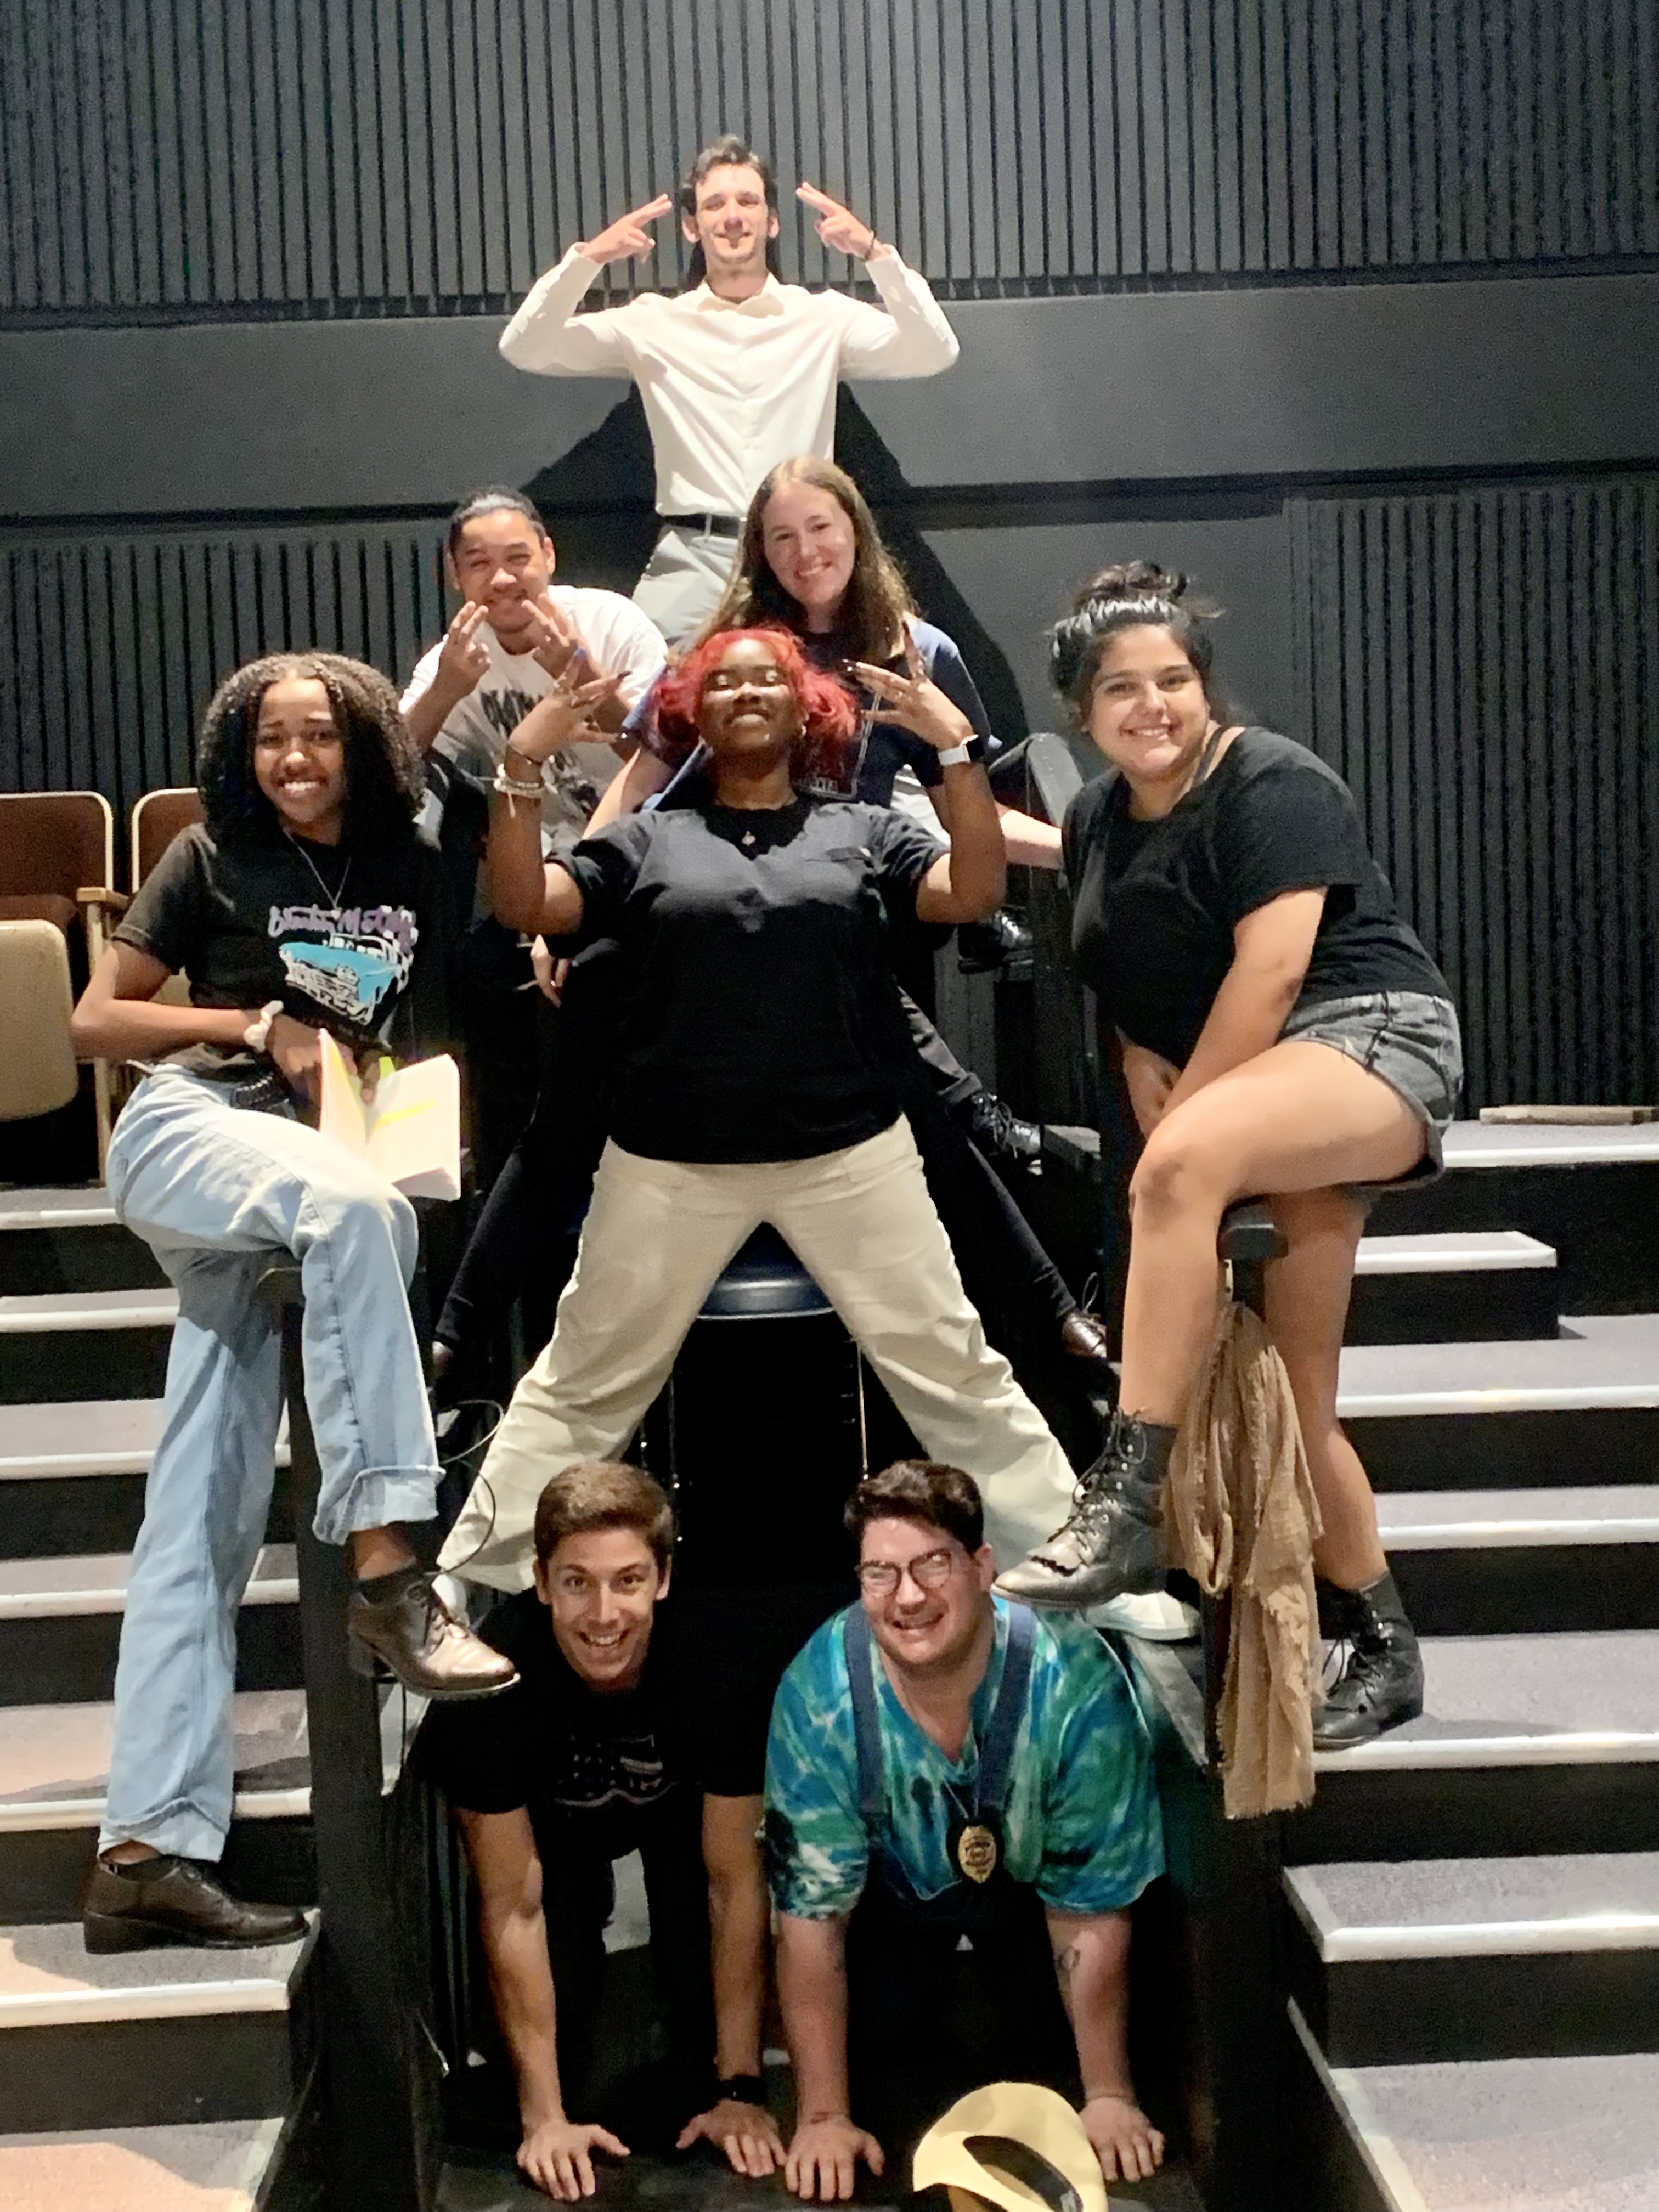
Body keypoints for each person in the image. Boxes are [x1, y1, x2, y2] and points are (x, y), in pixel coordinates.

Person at [431, 460, 1118, 1409]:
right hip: (685, 909)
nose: (805, 554)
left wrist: (1084, 847)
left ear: (857, 535)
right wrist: (573, 898)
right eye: (782, 537)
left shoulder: (915, 653)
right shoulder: (730, 647)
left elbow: (974, 813)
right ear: (758, 551)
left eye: (821, 531)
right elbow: (646, 772)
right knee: (562, 1122)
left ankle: (1046, 1314)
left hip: (829, 919)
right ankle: (456, 1334)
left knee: (927, 1106)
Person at [437, 626, 1077, 1593]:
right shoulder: (648, 834)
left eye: (766, 679)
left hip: (847, 1154)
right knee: (581, 1382)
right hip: (669, 1162)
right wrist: (520, 763)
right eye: (722, 681)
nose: (743, 692)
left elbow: (973, 888)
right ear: (694, 710)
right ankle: (471, 1581)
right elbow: (529, 903)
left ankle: (1064, 1550)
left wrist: (953, 751)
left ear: (802, 707)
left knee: (952, 1364)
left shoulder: (858, 828)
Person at [67, 652, 517, 1955]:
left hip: (310, 1165)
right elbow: (97, 1020)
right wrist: (255, 1023)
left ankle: (144, 1846)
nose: (294, 758)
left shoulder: (404, 862)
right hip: (190, 1132)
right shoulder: (210, 856)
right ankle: (388, 1563)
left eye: (319, 735)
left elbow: (472, 823)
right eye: (271, 738)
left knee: (196, 1511)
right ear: (239, 752)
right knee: (359, 1214)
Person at [995, 566, 1464, 1750]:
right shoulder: (1098, 813)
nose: (1152, 705)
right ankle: (1387, 1643)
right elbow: (1116, 953)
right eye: (1121, 689)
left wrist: (1187, 1119)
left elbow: (1271, 971)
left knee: (1173, 1173)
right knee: (1300, 1412)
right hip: (1259, 1081)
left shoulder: (1271, 777)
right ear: (1080, 708)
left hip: (1366, 1036)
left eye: (1173, 680)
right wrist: (1138, 1045)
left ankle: (1130, 1499)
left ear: (1204, 687)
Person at [764, 1461, 1166, 2198]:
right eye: (880, 1573)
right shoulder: (818, 1698)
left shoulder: (1074, 1686)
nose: (908, 1596)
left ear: (983, 1568)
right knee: (885, 2073)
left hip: (1034, 1906)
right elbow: (812, 1926)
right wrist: (821, 2114)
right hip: (887, 1913)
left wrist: (1108, 2094)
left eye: (932, 1566)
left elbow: (1090, 1912)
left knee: (1053, 2060)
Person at [422, 1462, 785, 2200]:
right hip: (554, 1839)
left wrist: (742, 2089)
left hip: (682, 1828)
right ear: (542, 1581)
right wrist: (544, 2117)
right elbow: (510, 1906)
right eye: (578, 1582)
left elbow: (734, 1884)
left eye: (627, 1581)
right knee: (566, 2005)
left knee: (696, 2014)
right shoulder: (492, 1685)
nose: (603, 1613)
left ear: (662, 1580)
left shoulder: (720, 1664)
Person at [496, 136, 959, 641]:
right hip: (694, 555)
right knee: (647, 701)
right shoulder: (654, 322)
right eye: (715, 204)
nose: (733, 216)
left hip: (798, 554)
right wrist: (588, 259)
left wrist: (875, 255)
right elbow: (526, 347)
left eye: (748, 201)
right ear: (692, 227)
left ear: (772, 221)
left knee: (818, 704)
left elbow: (934, 351)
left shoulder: (822, 315)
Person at [399, 488, 669, 1182]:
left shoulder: (610, 622)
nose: (502, 578)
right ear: (454, 576)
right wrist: (445, 692)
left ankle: (626, 1161)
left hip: (640, 851)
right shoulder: (456, 656)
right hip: (540, 865)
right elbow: (394, 769)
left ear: (548, 556)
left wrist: (577, 674)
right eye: (480, 563)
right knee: (485, 971)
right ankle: (509, 1169)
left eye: (518, 557)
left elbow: (665, 756)